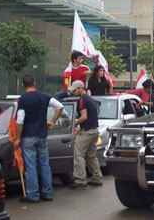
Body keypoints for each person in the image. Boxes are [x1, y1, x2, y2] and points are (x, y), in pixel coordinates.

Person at [15, 74, 64, 203]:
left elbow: (20, 120)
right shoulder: (44, 96)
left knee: (30, 165)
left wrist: (18, 137)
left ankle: (33, 195)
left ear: (23, 85)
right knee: (44, 164)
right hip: (42, 135)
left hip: (28, 136)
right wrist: (52, 122)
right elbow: (59, 106)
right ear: (34, 83)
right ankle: (47, 193)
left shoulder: (23, 100)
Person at [68, 80, 103, 189]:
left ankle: (80, 179)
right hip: (94, 130)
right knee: (91, 156)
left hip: (87, 132)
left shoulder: (82, 100)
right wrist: (80, 127)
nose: (73, 92)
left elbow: (84, 117)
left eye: (74, 90)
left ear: (80, 88)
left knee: (78, 154)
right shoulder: (89, 99)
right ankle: (97, 177)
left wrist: (74, 124)